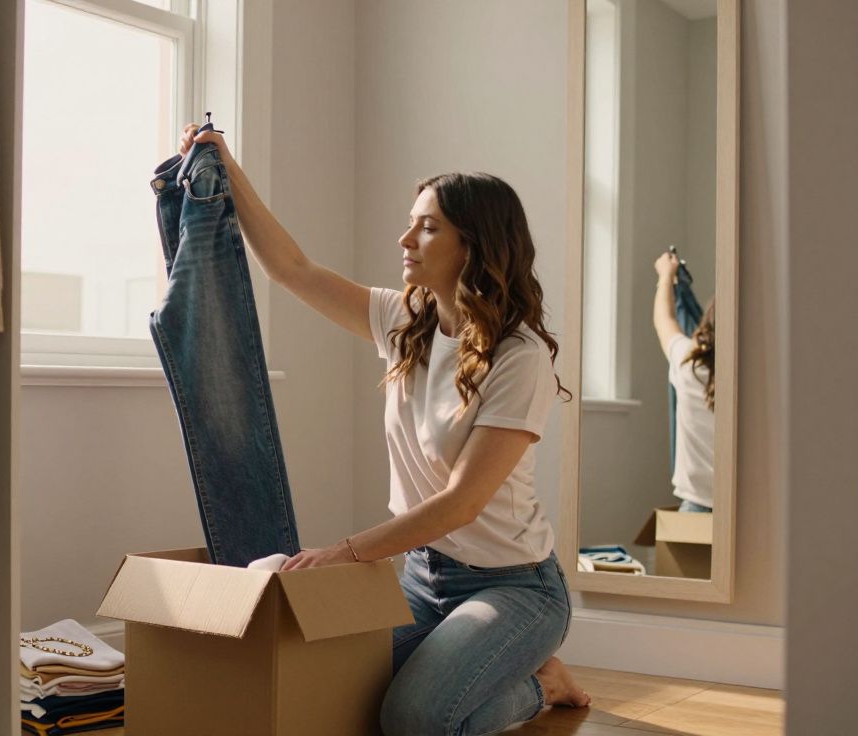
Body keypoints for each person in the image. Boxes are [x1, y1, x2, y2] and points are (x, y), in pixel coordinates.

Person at [179, 124, 591, 735]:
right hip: (423, 577)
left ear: (474, 245)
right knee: (331, 688)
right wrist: (226, 164)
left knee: (413, 719)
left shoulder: (519, 356)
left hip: (514, 590)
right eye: (411, 221)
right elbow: (292, 269)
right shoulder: (405, 321)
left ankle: (541, 684)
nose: (406, 237)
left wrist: (340, 555)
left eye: (428, 226)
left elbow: (461, 504)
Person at [652, 252, 715, 513]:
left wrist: (666, 275)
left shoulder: (690, 364)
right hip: (750, 513)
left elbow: (664, 320)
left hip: (695, 511)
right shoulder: (760, 382)